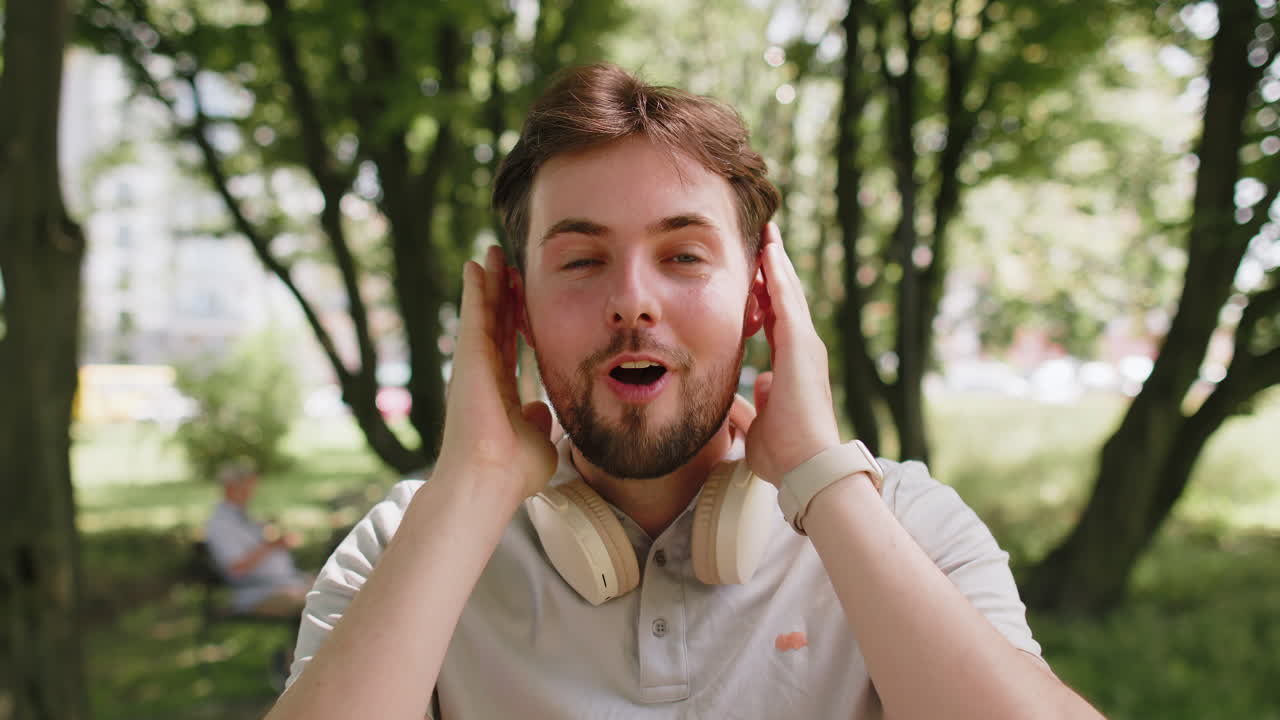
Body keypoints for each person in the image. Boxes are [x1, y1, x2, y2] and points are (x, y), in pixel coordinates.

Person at [268, 64, 1103, 719]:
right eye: (582, 260)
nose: (633, 299)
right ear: (515, 310)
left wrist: (820, 477)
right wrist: (474, 485)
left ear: (760, 298)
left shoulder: (915, 528)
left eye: (683, 255)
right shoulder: (399, 551)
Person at [205, 460, 311, 618]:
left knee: (338, 588)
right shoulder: (221, 523)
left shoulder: (240, 516)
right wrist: (271, 546)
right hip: (259, 592)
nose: (252, 493)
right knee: (325, 599)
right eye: (248, 487)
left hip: (285, 582)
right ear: (231, 487)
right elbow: (237, 568)